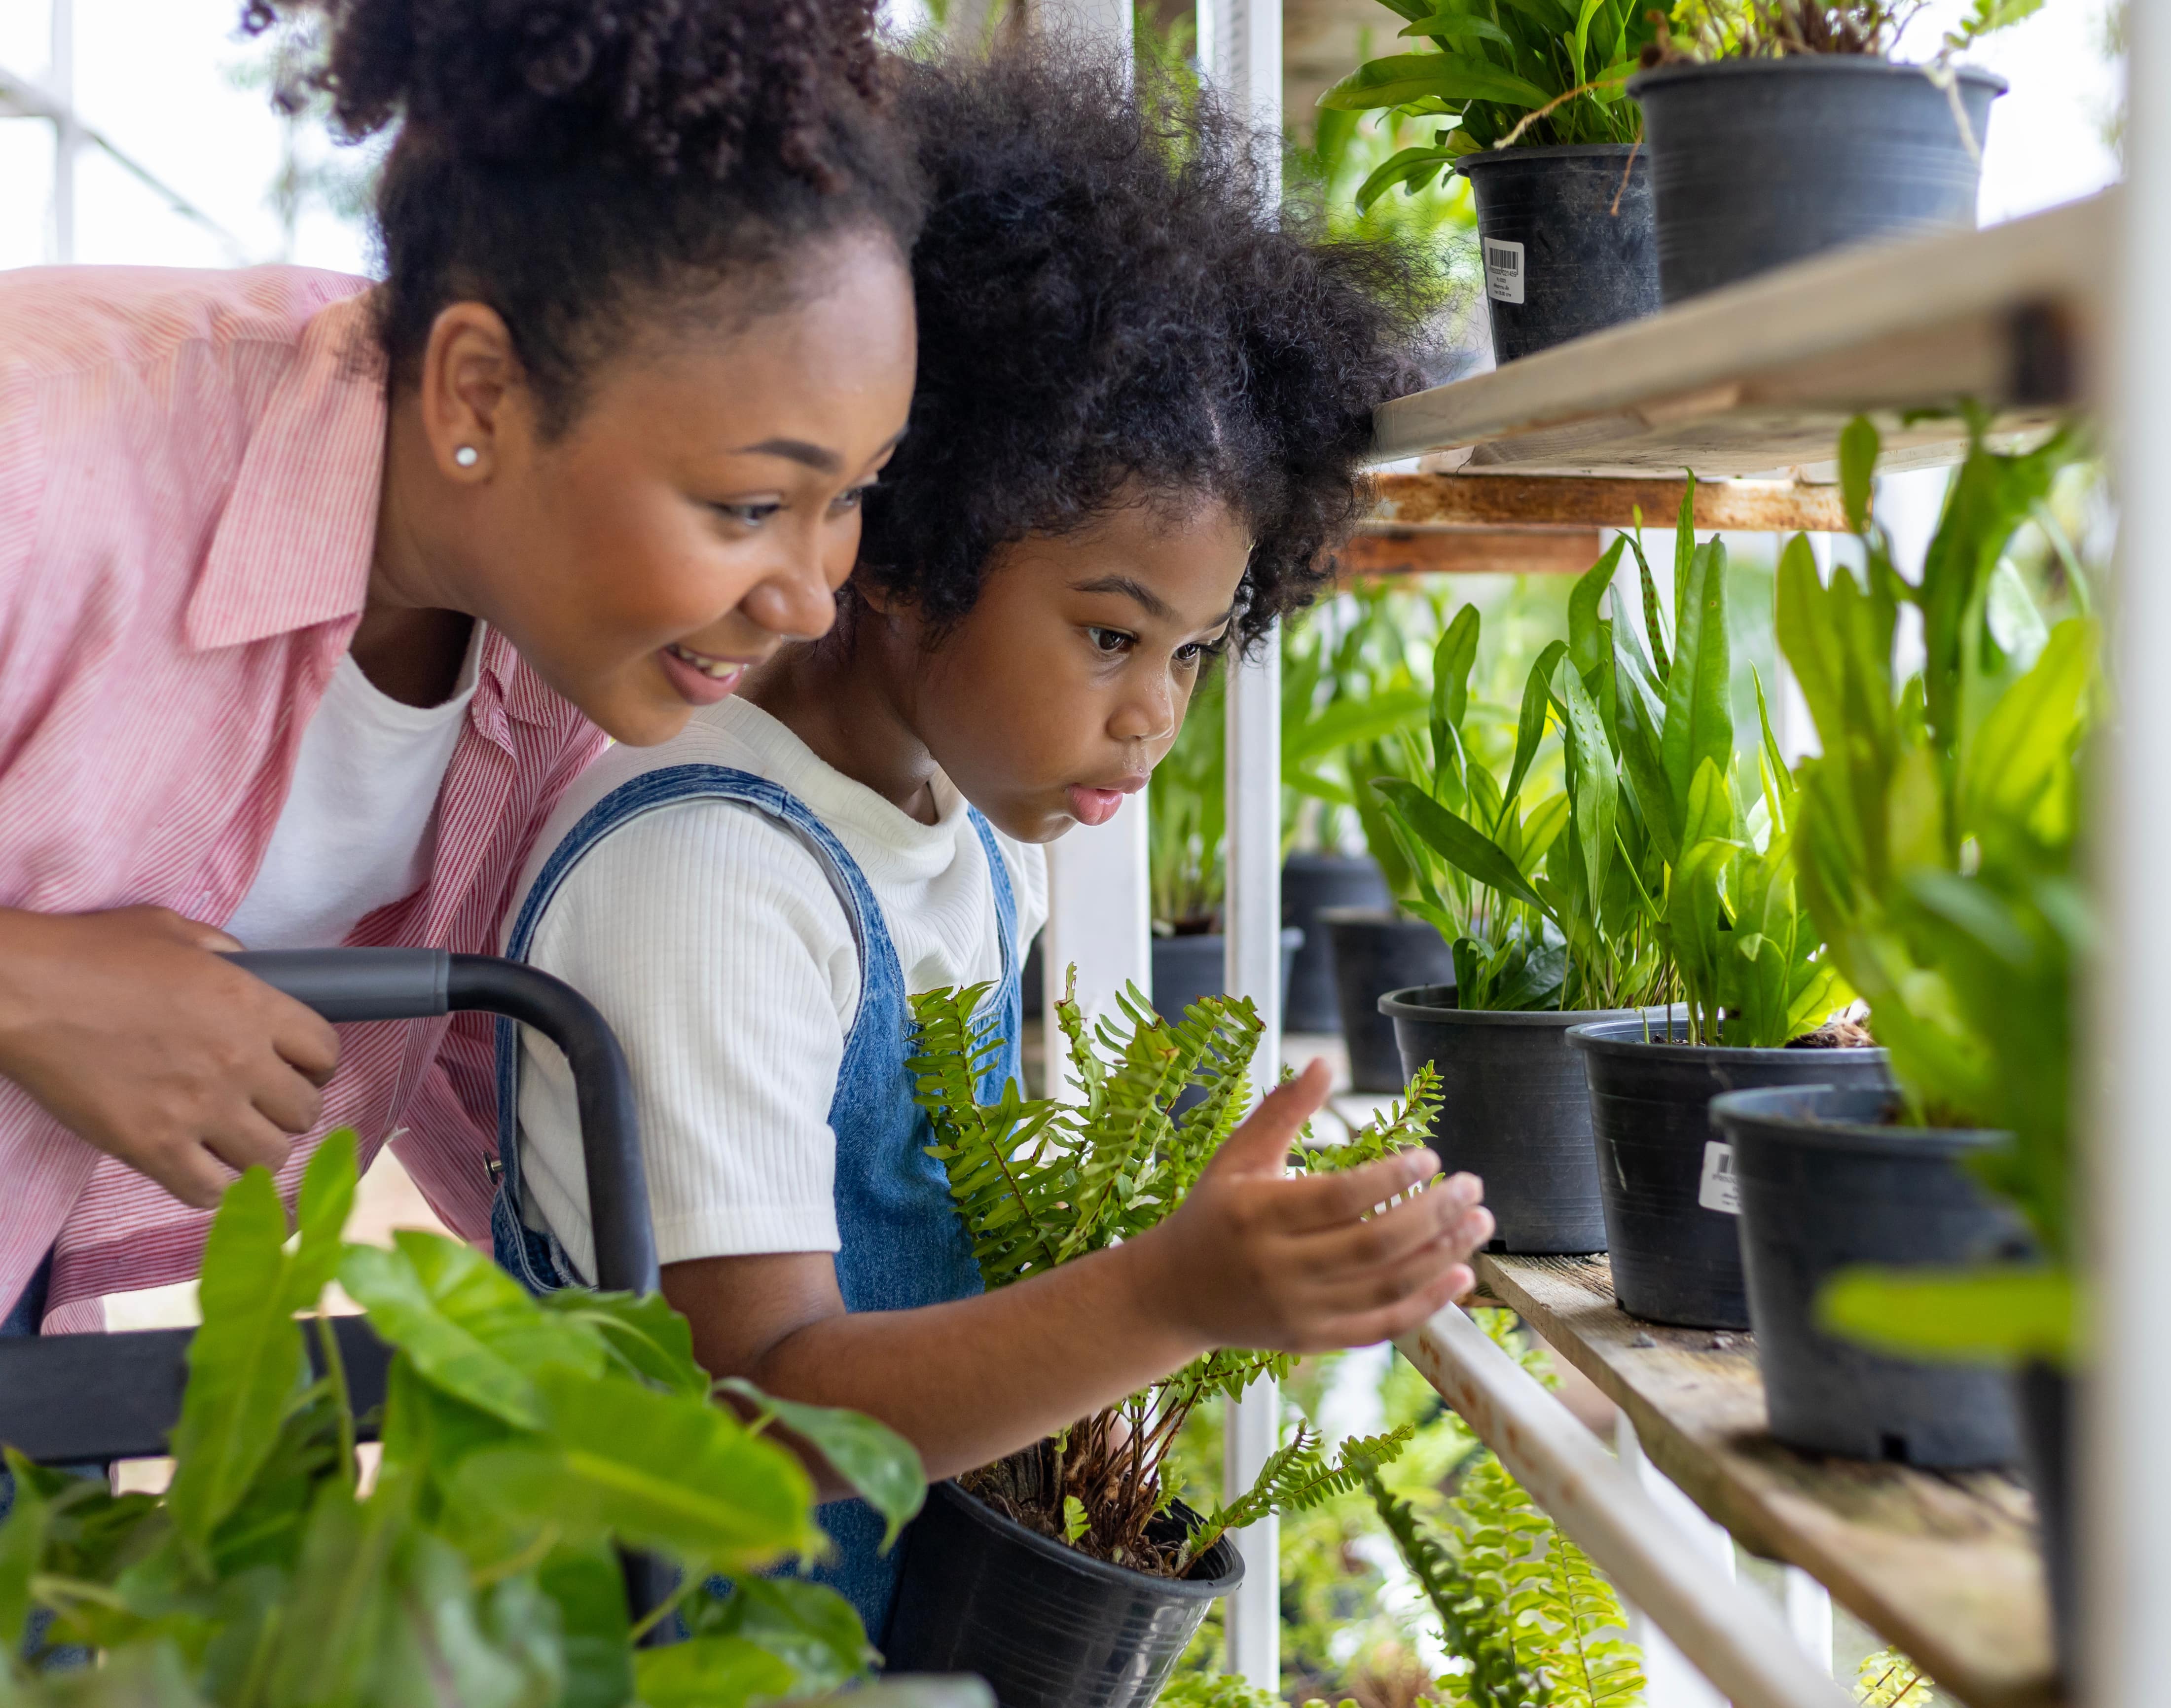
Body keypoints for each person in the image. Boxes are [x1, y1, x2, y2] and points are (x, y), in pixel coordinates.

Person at [495, 49, 1484, 1627]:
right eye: (1107, 636)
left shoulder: (946, 832)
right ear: (904, 555)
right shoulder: (709, 874)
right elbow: (760, 1404)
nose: (1155, 715)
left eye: (1191, 653)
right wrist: (1168, 1296)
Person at [0, 0, 921, 1337]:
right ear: (478, 394)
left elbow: (523, 1114)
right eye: (745, 506)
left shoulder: (555, 654)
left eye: (850, 496)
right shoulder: (52, 452)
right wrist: (33, 988)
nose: (808, 593)